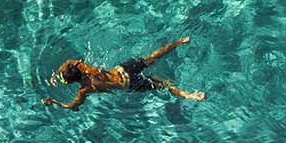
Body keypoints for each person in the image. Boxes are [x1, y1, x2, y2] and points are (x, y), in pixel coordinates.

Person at [42, 36, 205, 109]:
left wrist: (54, 102)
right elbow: (69, 62)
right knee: (153, 57)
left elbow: (73, 107)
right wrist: (57, 73)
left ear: (71, 81)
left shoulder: (85, 89)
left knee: (164, 84)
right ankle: (179, 42)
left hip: (129, 83)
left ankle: (189, 95)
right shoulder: (84, 67)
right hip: (123, 69)